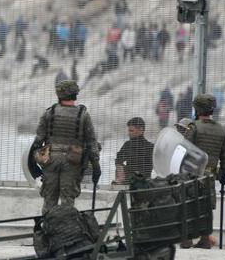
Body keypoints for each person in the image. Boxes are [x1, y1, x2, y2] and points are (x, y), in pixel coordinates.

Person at [30, 80, 100, 212]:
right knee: (68, 201)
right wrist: (96, 166)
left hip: (50, 160)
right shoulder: (83, 115)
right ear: (75, 95)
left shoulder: (49, 113)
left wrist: (32, 163)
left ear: (59, 95)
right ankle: (65, 230)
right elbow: (91, 143)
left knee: (49, 200)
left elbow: (38, 141)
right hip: (73, 161)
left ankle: (48, 229)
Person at [186, 94, 225, 248]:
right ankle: (205, 239)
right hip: (210, 175)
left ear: (197, 110)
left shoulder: (193, 127)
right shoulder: (221, 130)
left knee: (188, 205)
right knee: (205, 207)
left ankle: (186, 240)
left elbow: (185, 150)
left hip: (192, 174)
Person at [114, 117, 153, 183]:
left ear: (141, 130)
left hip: (143, 185)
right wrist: (120, 172)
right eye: (129, 131)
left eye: (131, 131)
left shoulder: (150, 147)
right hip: (128, 183)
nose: (129, 133)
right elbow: (119, 160)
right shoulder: (128, 145)